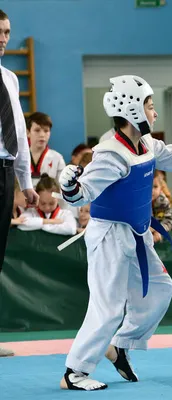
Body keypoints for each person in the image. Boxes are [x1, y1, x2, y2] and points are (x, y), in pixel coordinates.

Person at [57, 75, 172, 391]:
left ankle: (122, 345)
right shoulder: (110, 152)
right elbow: (82, 194)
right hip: (109, 236)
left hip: (137, 235)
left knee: (161, 288)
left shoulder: (146, 143)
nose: (154, 112)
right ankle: (74, 372)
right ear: (132, 109)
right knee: (107, 307)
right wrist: (68, 184)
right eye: (150, 106)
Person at [0, 9, 39, 358]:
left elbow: (20, 135)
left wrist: (23, 182)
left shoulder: (10, 78)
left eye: (6, 31)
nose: (2, 37)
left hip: (4, 170)